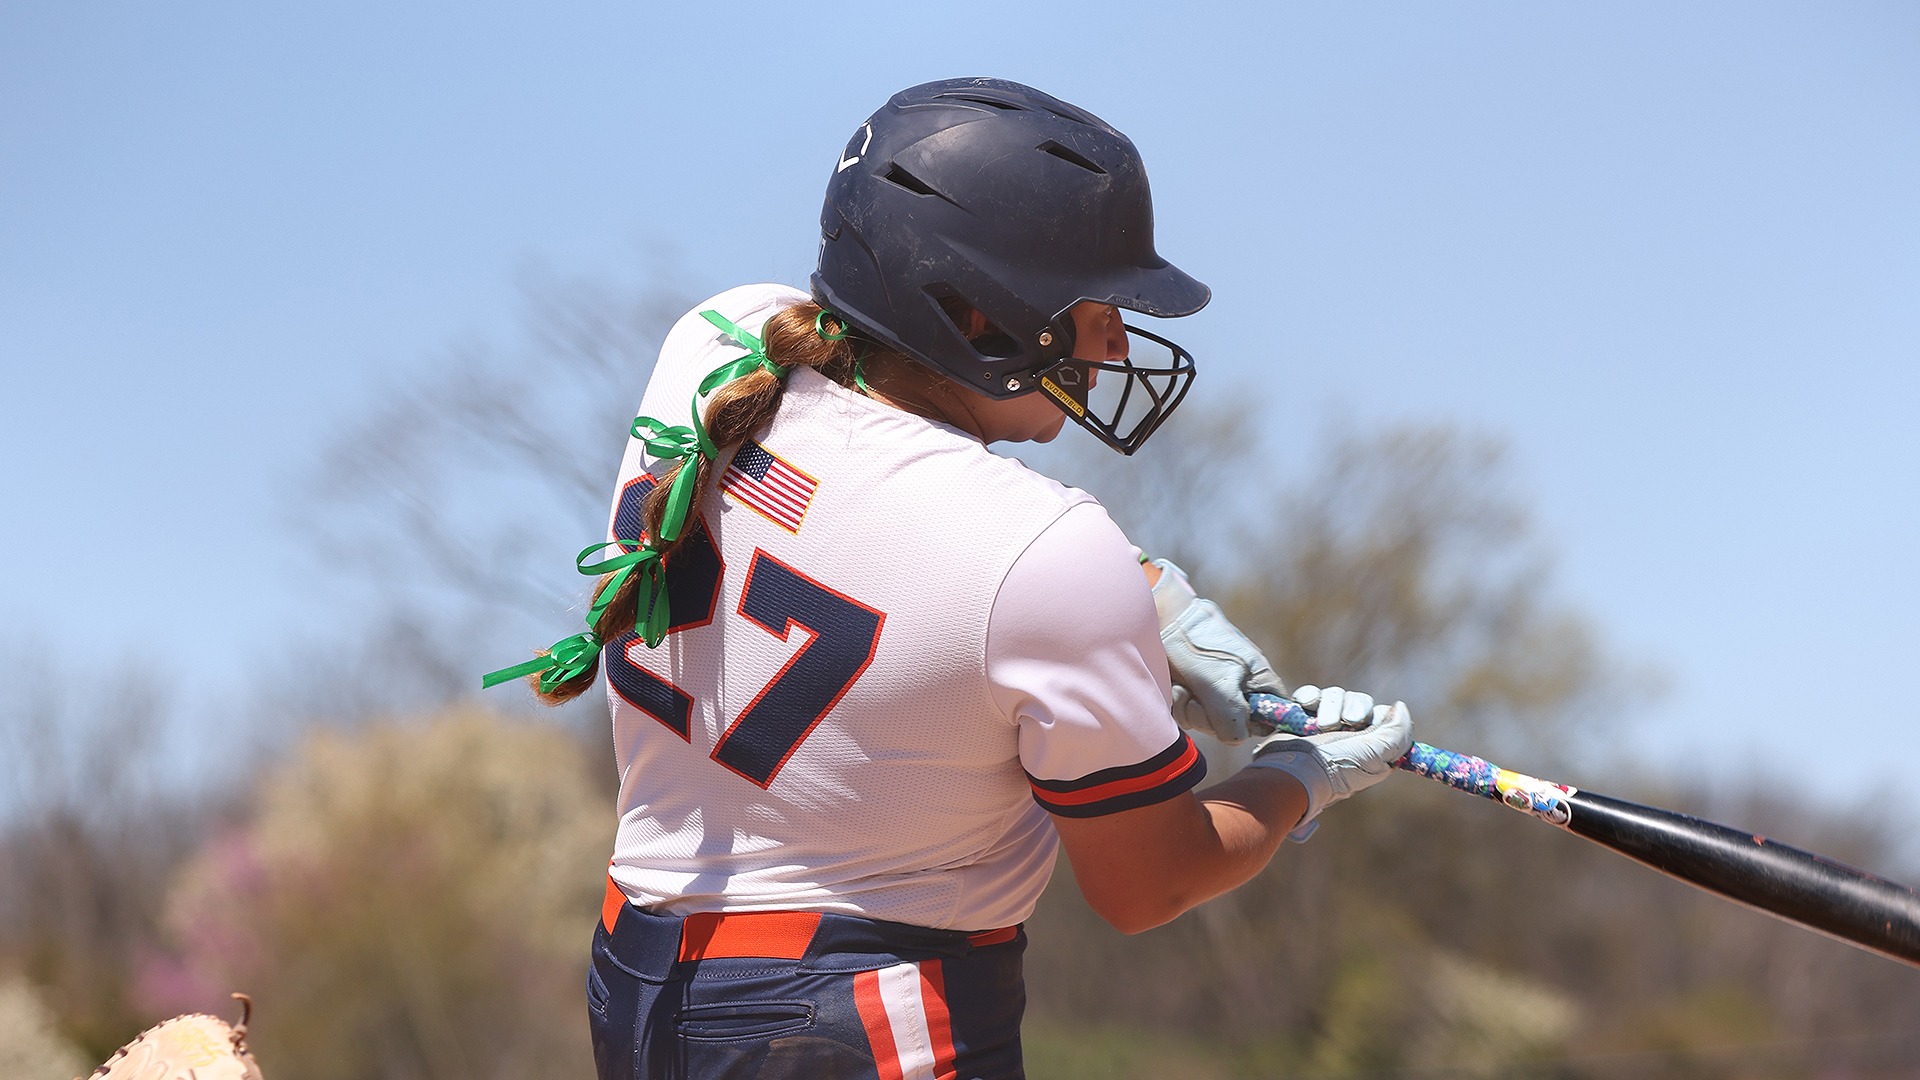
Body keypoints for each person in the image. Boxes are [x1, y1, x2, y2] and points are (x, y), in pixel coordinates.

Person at [485, 77, 1413, 1080]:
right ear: (974, 313)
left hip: (639, 983)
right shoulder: (1043, 550)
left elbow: (862, 509)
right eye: (1092, 303)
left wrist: (1146, 594)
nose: (1113, 338)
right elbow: (1151, 880)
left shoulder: (718, 343)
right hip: (858, 1018)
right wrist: (1300, 782)